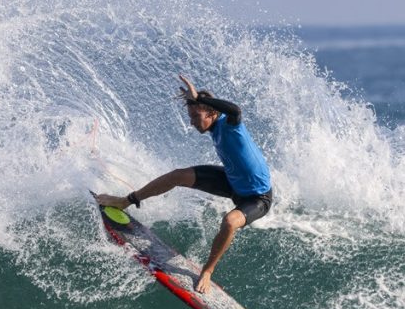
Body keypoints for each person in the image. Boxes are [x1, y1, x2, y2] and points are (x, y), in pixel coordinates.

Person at [96, 75, 273, 294]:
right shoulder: (214, 128)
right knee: (177, 175)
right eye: (190, 116)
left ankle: (207, 271)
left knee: (229, 222)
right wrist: (196, 101)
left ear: (212, 113)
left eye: (195, 116)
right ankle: (125, 201)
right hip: (232, 180)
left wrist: (200, 97)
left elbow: (235, 110)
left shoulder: (229, 125)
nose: (191, 122)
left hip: (257, 196)